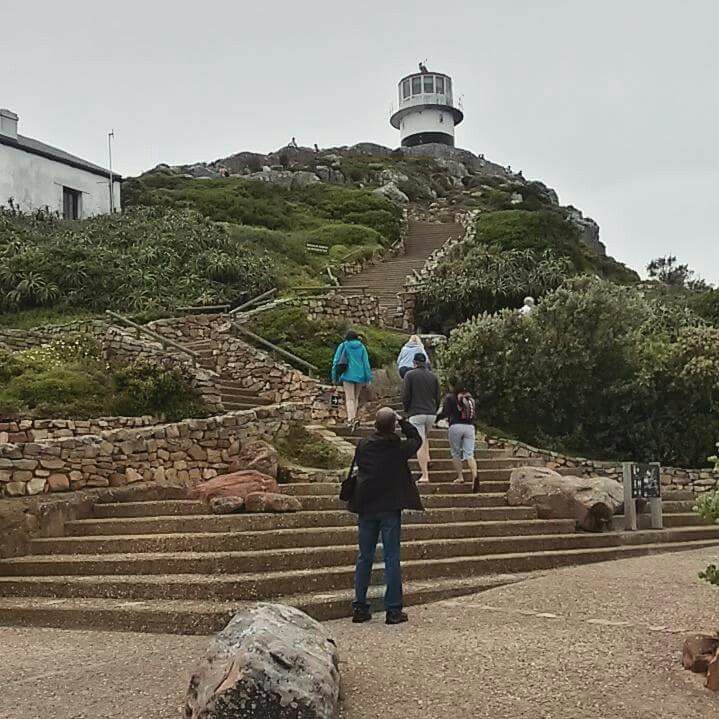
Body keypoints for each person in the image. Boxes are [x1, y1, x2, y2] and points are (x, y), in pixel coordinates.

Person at [348, 407, 423, 625]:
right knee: (391, 557)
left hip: (366, 505)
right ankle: (393, 610)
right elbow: (416, 438)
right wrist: (404, 421)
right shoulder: (398, 447)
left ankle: (360, 607)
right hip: (390, 506)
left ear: (375, 425)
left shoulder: (363, 445)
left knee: (364, 556)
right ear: (393, 426)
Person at [401, 352, 441, 483]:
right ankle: (427, 459)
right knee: (425, 437)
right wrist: (434, 410)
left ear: (414, 363)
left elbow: (406, 395)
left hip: (416, 412)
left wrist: (406, 410)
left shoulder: (409, 375)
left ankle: (425, 475)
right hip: (431, 413)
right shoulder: (433, 376)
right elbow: (438, 396)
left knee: (419, 442)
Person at [436, 380, 477, 488]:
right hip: (470, 427)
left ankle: (460, 477)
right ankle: (475, 475)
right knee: (469, 454)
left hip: (455, 426)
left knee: (456, 452)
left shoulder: (450, 398)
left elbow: (445, 413)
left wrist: (436, 420)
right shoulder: (470, 399)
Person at [331, 330, 372, 428]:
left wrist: (334, 377)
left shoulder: (343, 346)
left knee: (349, 398)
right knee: (356, 397)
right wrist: (368, 378)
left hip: (347, 375)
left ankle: (351, 420)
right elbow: (366, 364)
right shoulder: (362, 347)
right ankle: (354, 418)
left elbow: (336, 361)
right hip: (360, 376)